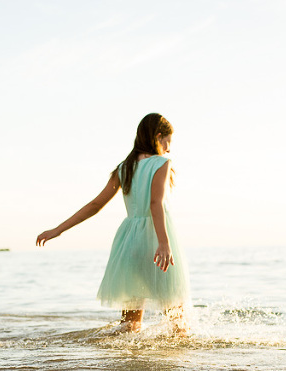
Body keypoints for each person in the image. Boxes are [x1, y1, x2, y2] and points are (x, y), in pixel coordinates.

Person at [36, 113, 190, 334]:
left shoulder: (124, 167)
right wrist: (164, 243)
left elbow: (95, 204)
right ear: (158, 136)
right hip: (155, 239)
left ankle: (125, 362)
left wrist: (57, 230)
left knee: (130, 323)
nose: (169, 148)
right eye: (168, 141)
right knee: (177, 321)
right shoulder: (162, 163)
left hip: (128, 242)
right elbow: (156, 204)